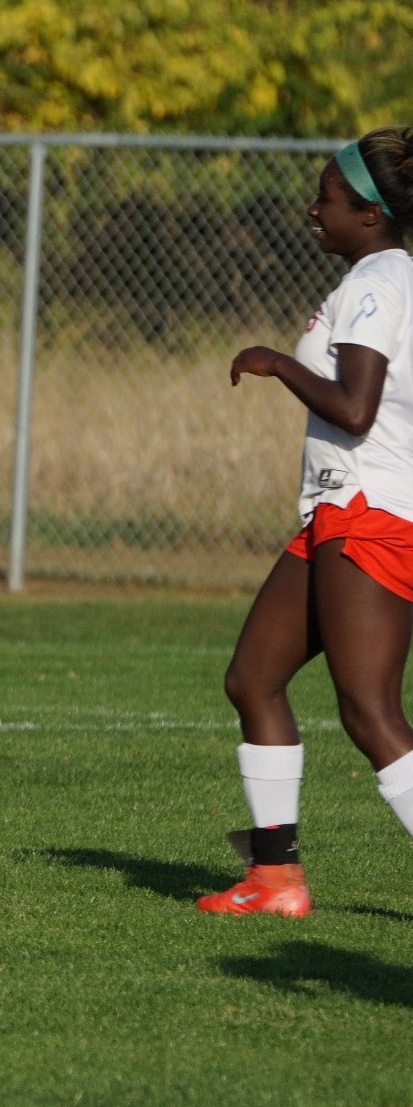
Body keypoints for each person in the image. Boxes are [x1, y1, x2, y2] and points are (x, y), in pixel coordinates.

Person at [208, 126, 413, 918]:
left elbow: (354, 409)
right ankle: (273, 878)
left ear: (368, 214)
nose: (313, 209)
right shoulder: (388, 273)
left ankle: (275, 877)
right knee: (252, 677)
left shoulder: (376, 280)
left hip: (368, 513)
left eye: (326, 198)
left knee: (370, 711)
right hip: (339, 508)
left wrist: (276, 361)